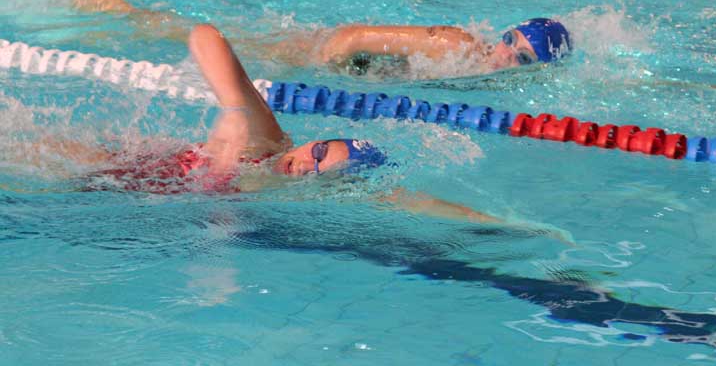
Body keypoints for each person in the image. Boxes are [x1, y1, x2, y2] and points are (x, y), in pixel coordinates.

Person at [28, 23, 533, 229]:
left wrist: (512, 226)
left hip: (90, 200)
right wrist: (233, 108)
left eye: (322, 172)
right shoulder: (266, 144)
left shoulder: (272, 200)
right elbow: (204, 35)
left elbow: (409, 202)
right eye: (319, 151)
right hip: (77, 165)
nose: (307, 164)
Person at [54, 0, 572, 78]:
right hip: (322, 54)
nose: (507, 55)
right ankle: (114, 9)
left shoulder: (475, 69)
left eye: (523, 57)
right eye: (511, 41)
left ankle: (118, 14)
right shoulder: (455, 45)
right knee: (214, 45)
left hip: (340, 63)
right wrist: (333, 67)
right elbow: (353, 37)